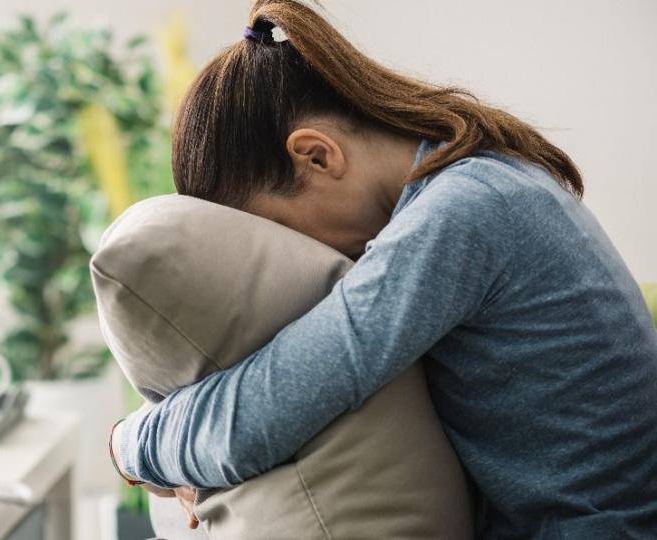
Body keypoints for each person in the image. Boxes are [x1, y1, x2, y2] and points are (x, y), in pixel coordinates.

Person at [108, 1, 657, 538]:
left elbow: (256, 419)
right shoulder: (492, 178)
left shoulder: (463, 214)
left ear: (317, 156)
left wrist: (129, 446)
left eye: (280, 231)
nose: (298, 255)